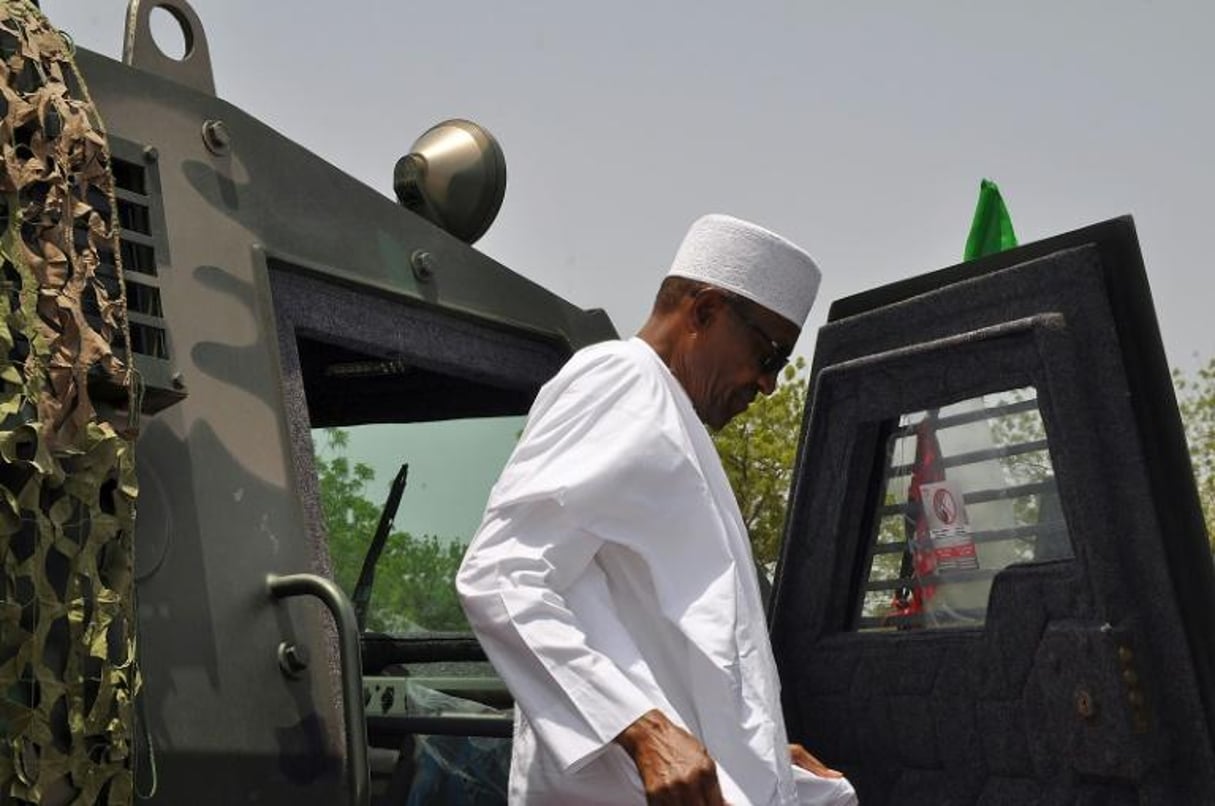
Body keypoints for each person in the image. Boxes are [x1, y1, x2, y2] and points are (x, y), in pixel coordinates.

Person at [456, 214, 857, 805]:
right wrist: (644, 731)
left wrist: (762, 750)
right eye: (768, 355)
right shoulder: (621, 380)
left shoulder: (671, 415)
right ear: (704, 312)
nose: (769, 384)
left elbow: (669, 635)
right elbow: (501, 575)